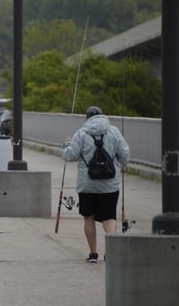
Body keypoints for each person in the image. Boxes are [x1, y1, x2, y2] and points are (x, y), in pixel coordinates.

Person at [61, 106, 130, 263]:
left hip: (87, 185)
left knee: (89, 218)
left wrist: (66, 145)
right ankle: (111, 251)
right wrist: (123, 164)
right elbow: (125, 155)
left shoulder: (81, 133)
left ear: (87, 118)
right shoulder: (114, 132)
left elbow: (70, 155)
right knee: (110, 217)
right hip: (110, 184)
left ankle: (93, 254)